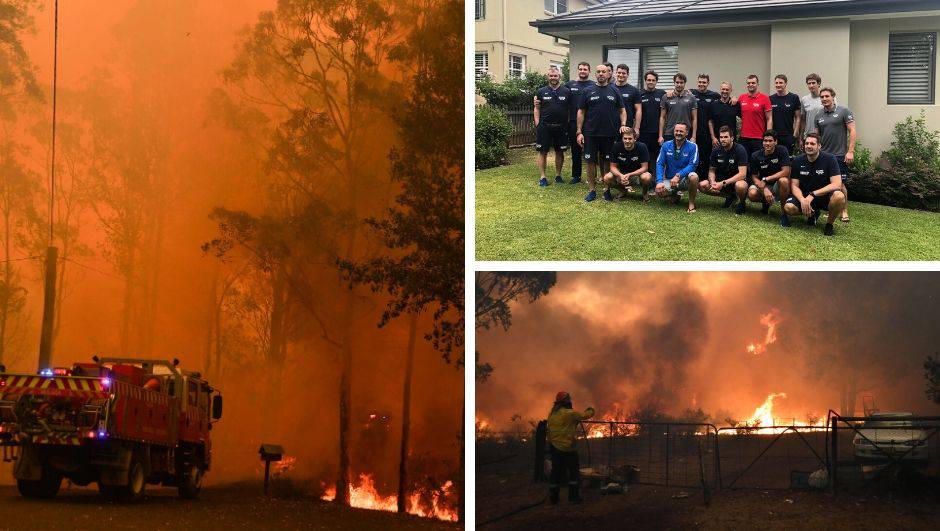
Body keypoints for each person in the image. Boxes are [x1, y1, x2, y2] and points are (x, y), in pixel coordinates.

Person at [577, 63, 627, 202]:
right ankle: (592, 190)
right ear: (595, 74)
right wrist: (579, 131)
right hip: (590, 133)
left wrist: (623, 124)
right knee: (590, 161)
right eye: (598, 71)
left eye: (603, 72)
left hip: (609, 133)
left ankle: (606, 189)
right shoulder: (587, 91)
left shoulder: (614, 91)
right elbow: (581, 111)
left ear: (608, 74)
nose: (601, 74)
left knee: (606, 162)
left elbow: (622, 110)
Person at [782, 133, 847, 236]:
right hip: (805, 195)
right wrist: (802, 200)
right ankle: (812, 214)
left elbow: (837, 184)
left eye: (812, 144)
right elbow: (794, 186)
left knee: (839, 196)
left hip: (824, 196)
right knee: (788, 207)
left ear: (819, 146)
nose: (809, 146)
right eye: (807, 143)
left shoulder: (830, 159)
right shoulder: (797, 160)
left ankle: (829, 224)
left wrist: (813, 194)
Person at [814, 87, 855, 222]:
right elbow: (816, 137)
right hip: (823, 155)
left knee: (840, 184)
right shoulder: (818, 115)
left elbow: (852, 131)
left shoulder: (844, 111)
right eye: (822, 97)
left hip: (839, 155)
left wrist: (850, 151)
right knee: (824, 183)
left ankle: (844, 211)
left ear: (833, 97)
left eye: (827, 96)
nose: (824, 99)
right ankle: (831, 209)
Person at [547, 391, 595, 504]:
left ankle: (554, 498)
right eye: (569, 399)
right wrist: (591, 410)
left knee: (556, 472)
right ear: (565, 401)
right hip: (567, 449)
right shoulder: (569, 413)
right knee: (574, 472)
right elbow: (584, 415)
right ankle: (573, 498)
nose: (570, 401)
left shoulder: (552, 414)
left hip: (554, 447)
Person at [533, 66, 572, 186]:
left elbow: (570, 110)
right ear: (548, 77)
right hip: (545, 126)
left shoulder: (566, 91)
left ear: (559, 77)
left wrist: (568, 124)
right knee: (542, 151)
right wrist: (537, 123)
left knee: (559, 152)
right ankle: (543, 177)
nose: (553, 78)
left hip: (561, 127)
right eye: (551, 76)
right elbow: (536, 108)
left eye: (555, 76)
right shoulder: (541, 91)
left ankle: (558, 175)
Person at [698, 126, 749, 214]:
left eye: (726, 137)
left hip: (735, 181)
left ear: (732, 138)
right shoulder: (716, 150)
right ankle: (730, 197)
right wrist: (713, 182)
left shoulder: (740, 150)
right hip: (721, 181)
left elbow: (743, 174)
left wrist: (723, 183)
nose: (723, 139)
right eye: (721, 137)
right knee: (703, 185)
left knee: (741, 186)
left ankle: (741, 202)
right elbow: (711, 170)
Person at [747, 130, 791, 219]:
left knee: (784, 180)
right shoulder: (755, 155)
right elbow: (754, 177)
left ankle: (784, 213)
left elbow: (786, 171)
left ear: (775, 142)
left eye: (770, 141)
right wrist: (764, 188)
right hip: (762, 184)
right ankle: (766, 202)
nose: (767, 143)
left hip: (776, 185)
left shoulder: (782, 150)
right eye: (765, 141)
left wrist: (766, 179)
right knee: (751, 194)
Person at [655, 122, 699, 212]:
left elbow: (693, 165)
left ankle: (691, 204)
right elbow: (660, 163)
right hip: (670, 180)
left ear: (686, 133)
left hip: (684, 180)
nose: (678, 133)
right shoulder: (666, 145)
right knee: (660, 192)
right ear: (673, 131)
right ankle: (675, 194)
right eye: (676, 131)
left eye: (681, 131)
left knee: (694, 177)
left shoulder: (693, 146)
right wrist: (659, 181)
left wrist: (678, 175)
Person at [565, 62, 596, 184]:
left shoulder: (594, 85)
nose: (583, 71)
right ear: (578, 70)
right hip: (573, 122)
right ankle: (576, 175)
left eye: (585, 69)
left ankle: (592, 177)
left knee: (591, 150)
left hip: (590, 122)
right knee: (575, 150)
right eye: (581, 69)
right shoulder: (569, 85)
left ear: (589, 71)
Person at [604, 128, 652, 201]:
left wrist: (630, 174)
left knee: (646, 177)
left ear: (634, 139)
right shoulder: (617, 146)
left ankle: (644, 193)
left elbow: (645, 168)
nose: (627, 141)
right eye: (625, 138)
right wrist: (621, 175)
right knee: (607, 177)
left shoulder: (642, 146)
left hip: (637, 175)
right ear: (622, 139)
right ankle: (623, 191)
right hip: (622, 174)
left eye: (630, 139)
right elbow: (612, 167)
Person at [691, 74, 720, 184]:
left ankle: (704, 179)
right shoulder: (691, 93)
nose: (701, 84)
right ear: (697, 82)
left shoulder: (714, 95)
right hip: (693, 132)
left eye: (704, 82)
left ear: (708, 83)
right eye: (700, 82)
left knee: (706, 156)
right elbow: (678, 91)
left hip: (708, 132)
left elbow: (726, 98)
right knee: (694, 156)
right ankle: (694, 179)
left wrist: (734, 99)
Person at [659, 73, 697, 146]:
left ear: (685, 83)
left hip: (686, 133)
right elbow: (662, 117)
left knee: (685, 156)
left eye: (681, 82)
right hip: (669, 133)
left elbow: (694, 118)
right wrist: (660, 136)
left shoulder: (691, 97)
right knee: (670, 156)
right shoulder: (666, 97)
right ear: (674, 83)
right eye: (677, 82)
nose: (679, 85)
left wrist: (693, 136)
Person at [738, 74, 772, 157]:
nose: (750, 85)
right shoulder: (742, 98)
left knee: (758, 162)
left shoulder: (765, 98)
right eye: (748, 83)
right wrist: (733, 99)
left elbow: (769, 119)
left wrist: (768, 137)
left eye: (753, 83)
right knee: (744, 162)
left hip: (759, 138)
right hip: (744, 137)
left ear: (757, 84)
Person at [638, 70, 666, 168]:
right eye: (649, 80)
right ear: (645, 81)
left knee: (656, 156)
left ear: (656, 81)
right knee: (644, 156)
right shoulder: (639, 94)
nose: (651, 82)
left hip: (657, 132)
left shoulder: (662, 94)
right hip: (643, 131)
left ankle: (655, 179)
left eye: (653, 80)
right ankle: (645, 178)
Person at [769, 74, 801, 154]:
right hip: (775, 136)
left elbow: (798, 117)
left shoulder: (794, 98)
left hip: (788, 136)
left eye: (781, 82)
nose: (778, 85)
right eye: (776, 83)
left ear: (786, 83)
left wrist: (795, 134)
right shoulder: (770, 99)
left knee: (788, 161)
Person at [613, 64, 642, 134]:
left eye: (623, 73)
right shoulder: (610, 89)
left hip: (628, 126)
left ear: (628, 74)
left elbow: (638, 110)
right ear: (615, 73)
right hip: (611, 126)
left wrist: (637, 128)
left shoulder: (634, 90)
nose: (621, 75)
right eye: (619, 73)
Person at [799, 73, 825, 146]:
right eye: (809, 83)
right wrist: (801, 137)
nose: (811, 85)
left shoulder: (826, 97)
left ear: (819, 84)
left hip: (823, 135)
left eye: (813, 83)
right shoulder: (804, 99)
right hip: (808, 136)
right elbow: (803, 120)